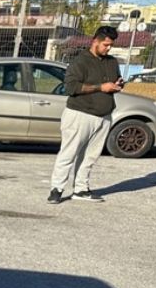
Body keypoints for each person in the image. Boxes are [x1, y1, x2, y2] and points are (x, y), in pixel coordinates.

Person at [47, 26, 123, 204]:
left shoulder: (112, 62)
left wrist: (118, 84)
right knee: (69, 153)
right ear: (95, 41)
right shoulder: (80, 61)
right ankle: (56, 189)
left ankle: (81, 189)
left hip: (103, 116)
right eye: (105, 45)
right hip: (79, 113)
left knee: (90, 156)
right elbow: (71, 87)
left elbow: (114, 81)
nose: (108, 48)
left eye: (111, 45)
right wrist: (101, 87)